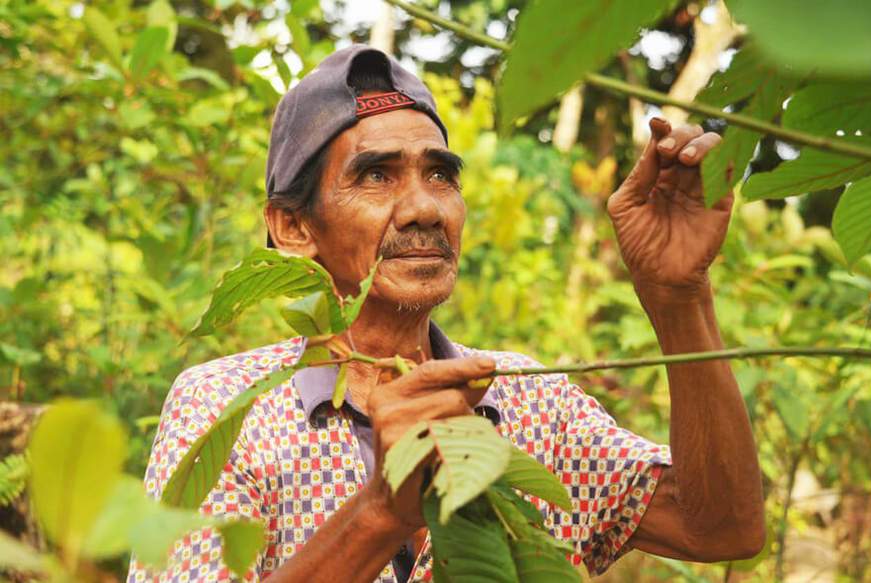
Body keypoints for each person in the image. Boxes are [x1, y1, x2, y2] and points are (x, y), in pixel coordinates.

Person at [128, 45, 765, 583]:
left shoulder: (530, 402)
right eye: (375, 176)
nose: (424, 210)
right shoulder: (224, 408)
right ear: (292, 226)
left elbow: (722, 527)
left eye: (440, 175)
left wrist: (679, 297)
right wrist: (383, 511)